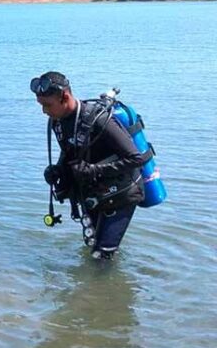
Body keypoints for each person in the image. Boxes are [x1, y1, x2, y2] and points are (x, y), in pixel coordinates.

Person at [32, 71, 144, 259]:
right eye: (41, 105)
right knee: (92, 246)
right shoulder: (58, 122)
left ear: (64, 97)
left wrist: (94, 170)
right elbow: (69, 152)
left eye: (47, 105)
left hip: (121, 193)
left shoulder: (99, 120)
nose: (44, 111)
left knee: (101, 256)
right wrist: (57, 170)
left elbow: (135, 159)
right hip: (95, 193)